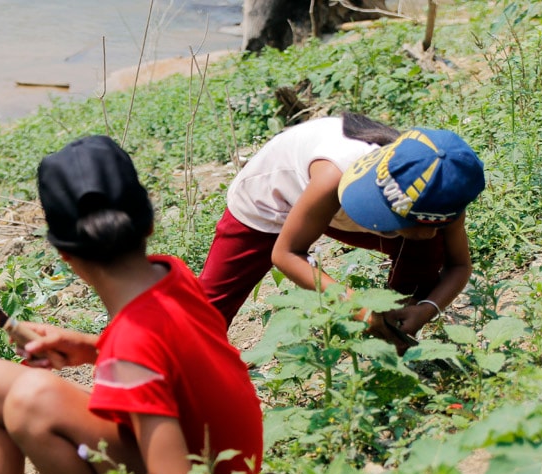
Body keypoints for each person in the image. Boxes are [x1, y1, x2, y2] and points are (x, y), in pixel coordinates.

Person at [0, 135, 264, 474]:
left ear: (65, 255)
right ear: (148, 226)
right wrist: (93, 347)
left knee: (32, 402)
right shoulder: (171, 275)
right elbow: (173, 355)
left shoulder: (131, 347)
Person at [199, 113, 486, 345]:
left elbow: (459, 265)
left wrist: (425, 309)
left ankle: (394, 334)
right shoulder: (334, 175)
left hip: (343, 206)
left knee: (424, 257)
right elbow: (286, 254)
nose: (382, 227)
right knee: (209, 308)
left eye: (390, 224)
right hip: (270, 198)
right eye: (383, 219)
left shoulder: (438, 196)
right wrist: (356, 306)